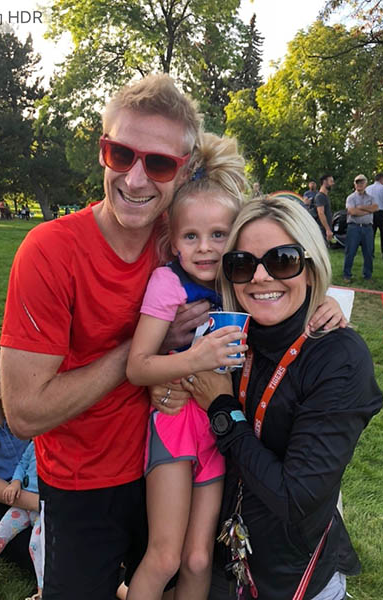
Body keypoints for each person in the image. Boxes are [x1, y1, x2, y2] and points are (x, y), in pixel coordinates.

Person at [0, 73, 210, 600]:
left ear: (181, 173)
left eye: (159, 163)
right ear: (103, 151)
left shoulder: (184, 242)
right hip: (81, 483)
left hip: (172, 464)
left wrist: (318, 300)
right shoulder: (49, 251)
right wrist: (143, 347)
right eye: (122, 154)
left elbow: (268, 256)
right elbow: (24, 412)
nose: (136, 180)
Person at [177, 195, 383, 600]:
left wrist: (223, 411)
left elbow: (296, 498)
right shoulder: (228, 336)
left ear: (310, 267)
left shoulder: (339, 358)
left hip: (294, 580)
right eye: (241, 264)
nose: (260, 278)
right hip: (217, 563)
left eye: (282, 260)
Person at [126, 132, 248, 600]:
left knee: (199, 558)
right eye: (191, 236)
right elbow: (138, 367)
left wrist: (330, 311)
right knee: (165, 556)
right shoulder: (167, 283)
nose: (205, 248)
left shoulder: (240, 284)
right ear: (173, 241)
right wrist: (194, 361)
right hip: (175, 422)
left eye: (218, 235)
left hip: (218, 428)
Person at [0, 341, 36, 572]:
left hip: (38, 479)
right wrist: (46, 504)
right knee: (23, 543)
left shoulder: (24, 399)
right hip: (2, 494)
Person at [0, 440, 43, 600]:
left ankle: (42, 589)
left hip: (42, 510)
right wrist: (16, 482)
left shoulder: (57, 449)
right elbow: (22, 463)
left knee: (36, 545)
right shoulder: (34, 444)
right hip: (21, 503)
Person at [343, 174, 378, 283]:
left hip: (368, 228)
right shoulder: (351, 197)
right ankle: (347, 275)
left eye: (362, 182)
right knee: (350, 252)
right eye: (357, 182)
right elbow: (352, 212)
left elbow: (375, 208)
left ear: (366, 184)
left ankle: (368, 275)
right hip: (354, 228)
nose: (360, 184)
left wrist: (361, 208)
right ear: (354, 184)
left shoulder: (371, 197)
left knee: (368, 253)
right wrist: (368, 210)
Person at [315, 174, 334, 243]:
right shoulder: (320, 196)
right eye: (331, 181)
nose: (333, 184)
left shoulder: (325, 196)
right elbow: (321, 213)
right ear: (324, 182)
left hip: (324, 230)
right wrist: (327, 229)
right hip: (321, 230)